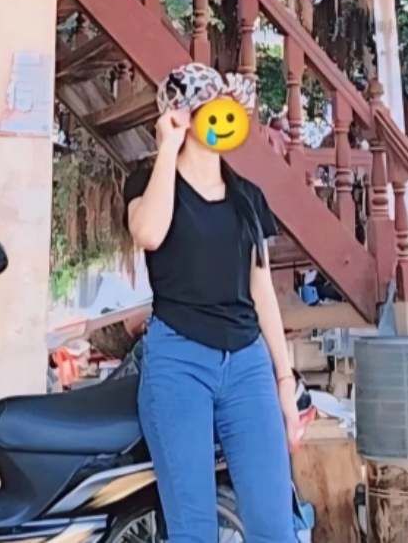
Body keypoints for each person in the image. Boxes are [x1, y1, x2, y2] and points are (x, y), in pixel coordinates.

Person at [124, 63, 302, 543]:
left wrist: (284, 380)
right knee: (194, 531)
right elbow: (148, 233)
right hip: (178, 361)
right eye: (206, 106)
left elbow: (261, 289)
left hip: (247, 363)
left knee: (275, 527)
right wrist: (168, 147)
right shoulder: (146, 183)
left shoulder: (247, 197)